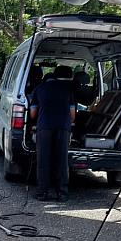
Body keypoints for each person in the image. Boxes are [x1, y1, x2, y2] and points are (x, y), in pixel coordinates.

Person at [29, 65, 76, 202]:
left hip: (44, 127)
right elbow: (72, 115)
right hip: (63, 127)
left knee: (43, 159)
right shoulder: (68, 90)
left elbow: (32, 114)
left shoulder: (39, 89)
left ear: (44, 80)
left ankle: (42, 193)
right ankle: (62, 193)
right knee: (61, 160)